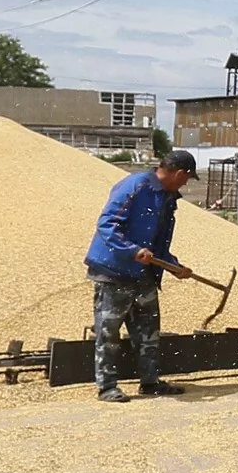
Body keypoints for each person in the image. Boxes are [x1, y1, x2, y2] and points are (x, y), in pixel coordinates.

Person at [84, 149, 199, 403]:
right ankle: (106, 387)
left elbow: (157, 244)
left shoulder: (168, 198)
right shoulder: (136, 186)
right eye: (187, 178)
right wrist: (132, 251)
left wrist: (173, 266)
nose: (186, 183)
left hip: (144, 275)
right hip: (113, 272)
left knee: (148, 333)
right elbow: (107, 224)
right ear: (180, 173)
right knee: (108, 332)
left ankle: (150, 382)